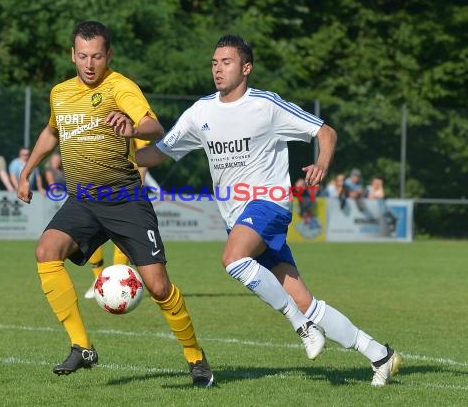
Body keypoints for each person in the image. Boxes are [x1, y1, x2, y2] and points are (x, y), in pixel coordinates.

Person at [136, 34, 402, 387]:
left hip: (269, 204)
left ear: (246, 68)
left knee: (233, 259)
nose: (218, 69)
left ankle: (301, 326)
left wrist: (321, 164)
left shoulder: (266, 106)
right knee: (305, 300)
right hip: (238, 218)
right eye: (214, 62)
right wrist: (116, 155)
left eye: (226, 62)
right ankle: (380, 355)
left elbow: (325, 132)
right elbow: (160, 152)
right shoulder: (200, 112)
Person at [16, 20, 214, 387]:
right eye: (83, 56)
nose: (90, 64)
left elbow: (154, 127)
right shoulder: (60, 93)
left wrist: (131, 126)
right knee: (46, 250)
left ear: (109, 55)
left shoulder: (119, 86)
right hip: (83, 199)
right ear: (72, 55)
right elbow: (51, 131)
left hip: (124, 199)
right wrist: (27, 170)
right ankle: (82, 346)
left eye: (97, 56)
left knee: (157, 286)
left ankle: (195, 356)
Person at [84, 138, 151, 299]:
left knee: (122, 234)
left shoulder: (133, 116)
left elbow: (144, 154)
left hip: (125, 185)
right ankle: (98, 279)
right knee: (91, 233)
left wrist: (139, 183)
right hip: (94, 183)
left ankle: (117, 279)